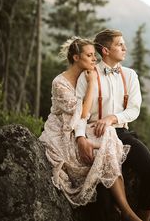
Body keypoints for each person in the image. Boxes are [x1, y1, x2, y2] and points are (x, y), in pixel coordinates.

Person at [39, 36, 142, 221]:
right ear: (76, 58)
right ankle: (124, 209)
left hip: (80, 127)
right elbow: (82, 112)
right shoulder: (60, 82)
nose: (95, 59)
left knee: (109, 134)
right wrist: (93, 83)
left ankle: (124, 209)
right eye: (89, 55)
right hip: (63, 130)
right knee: (100, 148)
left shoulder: (85, 76)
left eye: (95, 55)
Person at [75, 29, 150, 221]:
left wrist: (112, 118)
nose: (124, 47)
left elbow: (134, 109)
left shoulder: (130, 75)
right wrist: (80, 138)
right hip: (95, 136)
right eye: (119, 44)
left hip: (121, 133)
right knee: (103, 199)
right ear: (105, 50)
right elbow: (80, 113)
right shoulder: (88, 75)